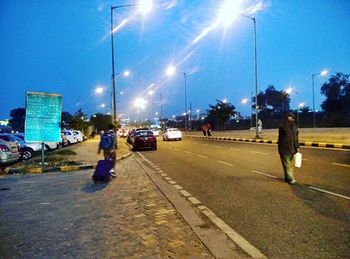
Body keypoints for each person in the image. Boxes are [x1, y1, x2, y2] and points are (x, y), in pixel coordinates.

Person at [278, 112, 299, 184]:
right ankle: (290, 178)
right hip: (284, 149)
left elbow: (296, 138)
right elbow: (282, 134)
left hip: (293, 148)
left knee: (291, 164)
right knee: (287, 164)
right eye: (290, 117)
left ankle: (287, 177)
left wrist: (297, 147)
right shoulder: (283, 126)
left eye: (293, 117)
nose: (292, 118)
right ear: (286, 117)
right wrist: (288, 122)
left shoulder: (294, 126)